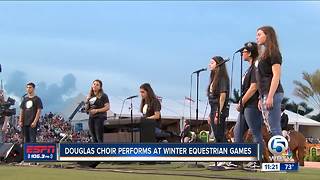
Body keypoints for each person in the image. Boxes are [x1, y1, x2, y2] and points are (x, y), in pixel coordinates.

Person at [233, 42, 264, 169]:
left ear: (250, 53)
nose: (242, 53)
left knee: (256, 132)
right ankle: (237, 159)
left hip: (251, 105)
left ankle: (257, 161)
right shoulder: (249, 68)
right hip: (246, 105)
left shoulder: (256, 67)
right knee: (237, 131)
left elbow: (254, 87)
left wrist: (242, 101)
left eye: (244, 51)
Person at [256, 26, 284, 136]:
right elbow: (261, 77)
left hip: (273, 93)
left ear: (267, 36)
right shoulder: (263, 55)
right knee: (270, 127)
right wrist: (261, 97)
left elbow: (276, 75)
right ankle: (278, 153)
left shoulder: (274, 53)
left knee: (275, 127)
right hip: (265, 93)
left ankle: (282, 153)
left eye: (259, 34)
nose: (257, 37)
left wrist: (270, 96)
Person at [207, 56, 230, 143]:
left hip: (219, 109)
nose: (209, 65)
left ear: (218, 65)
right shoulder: (214, 78)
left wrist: (218, 113)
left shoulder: (222, 78)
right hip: (214, 109)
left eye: (212, 63)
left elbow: (222, 96)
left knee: (220, 135)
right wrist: (211, 114)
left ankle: (227, 154)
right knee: (217, 135)